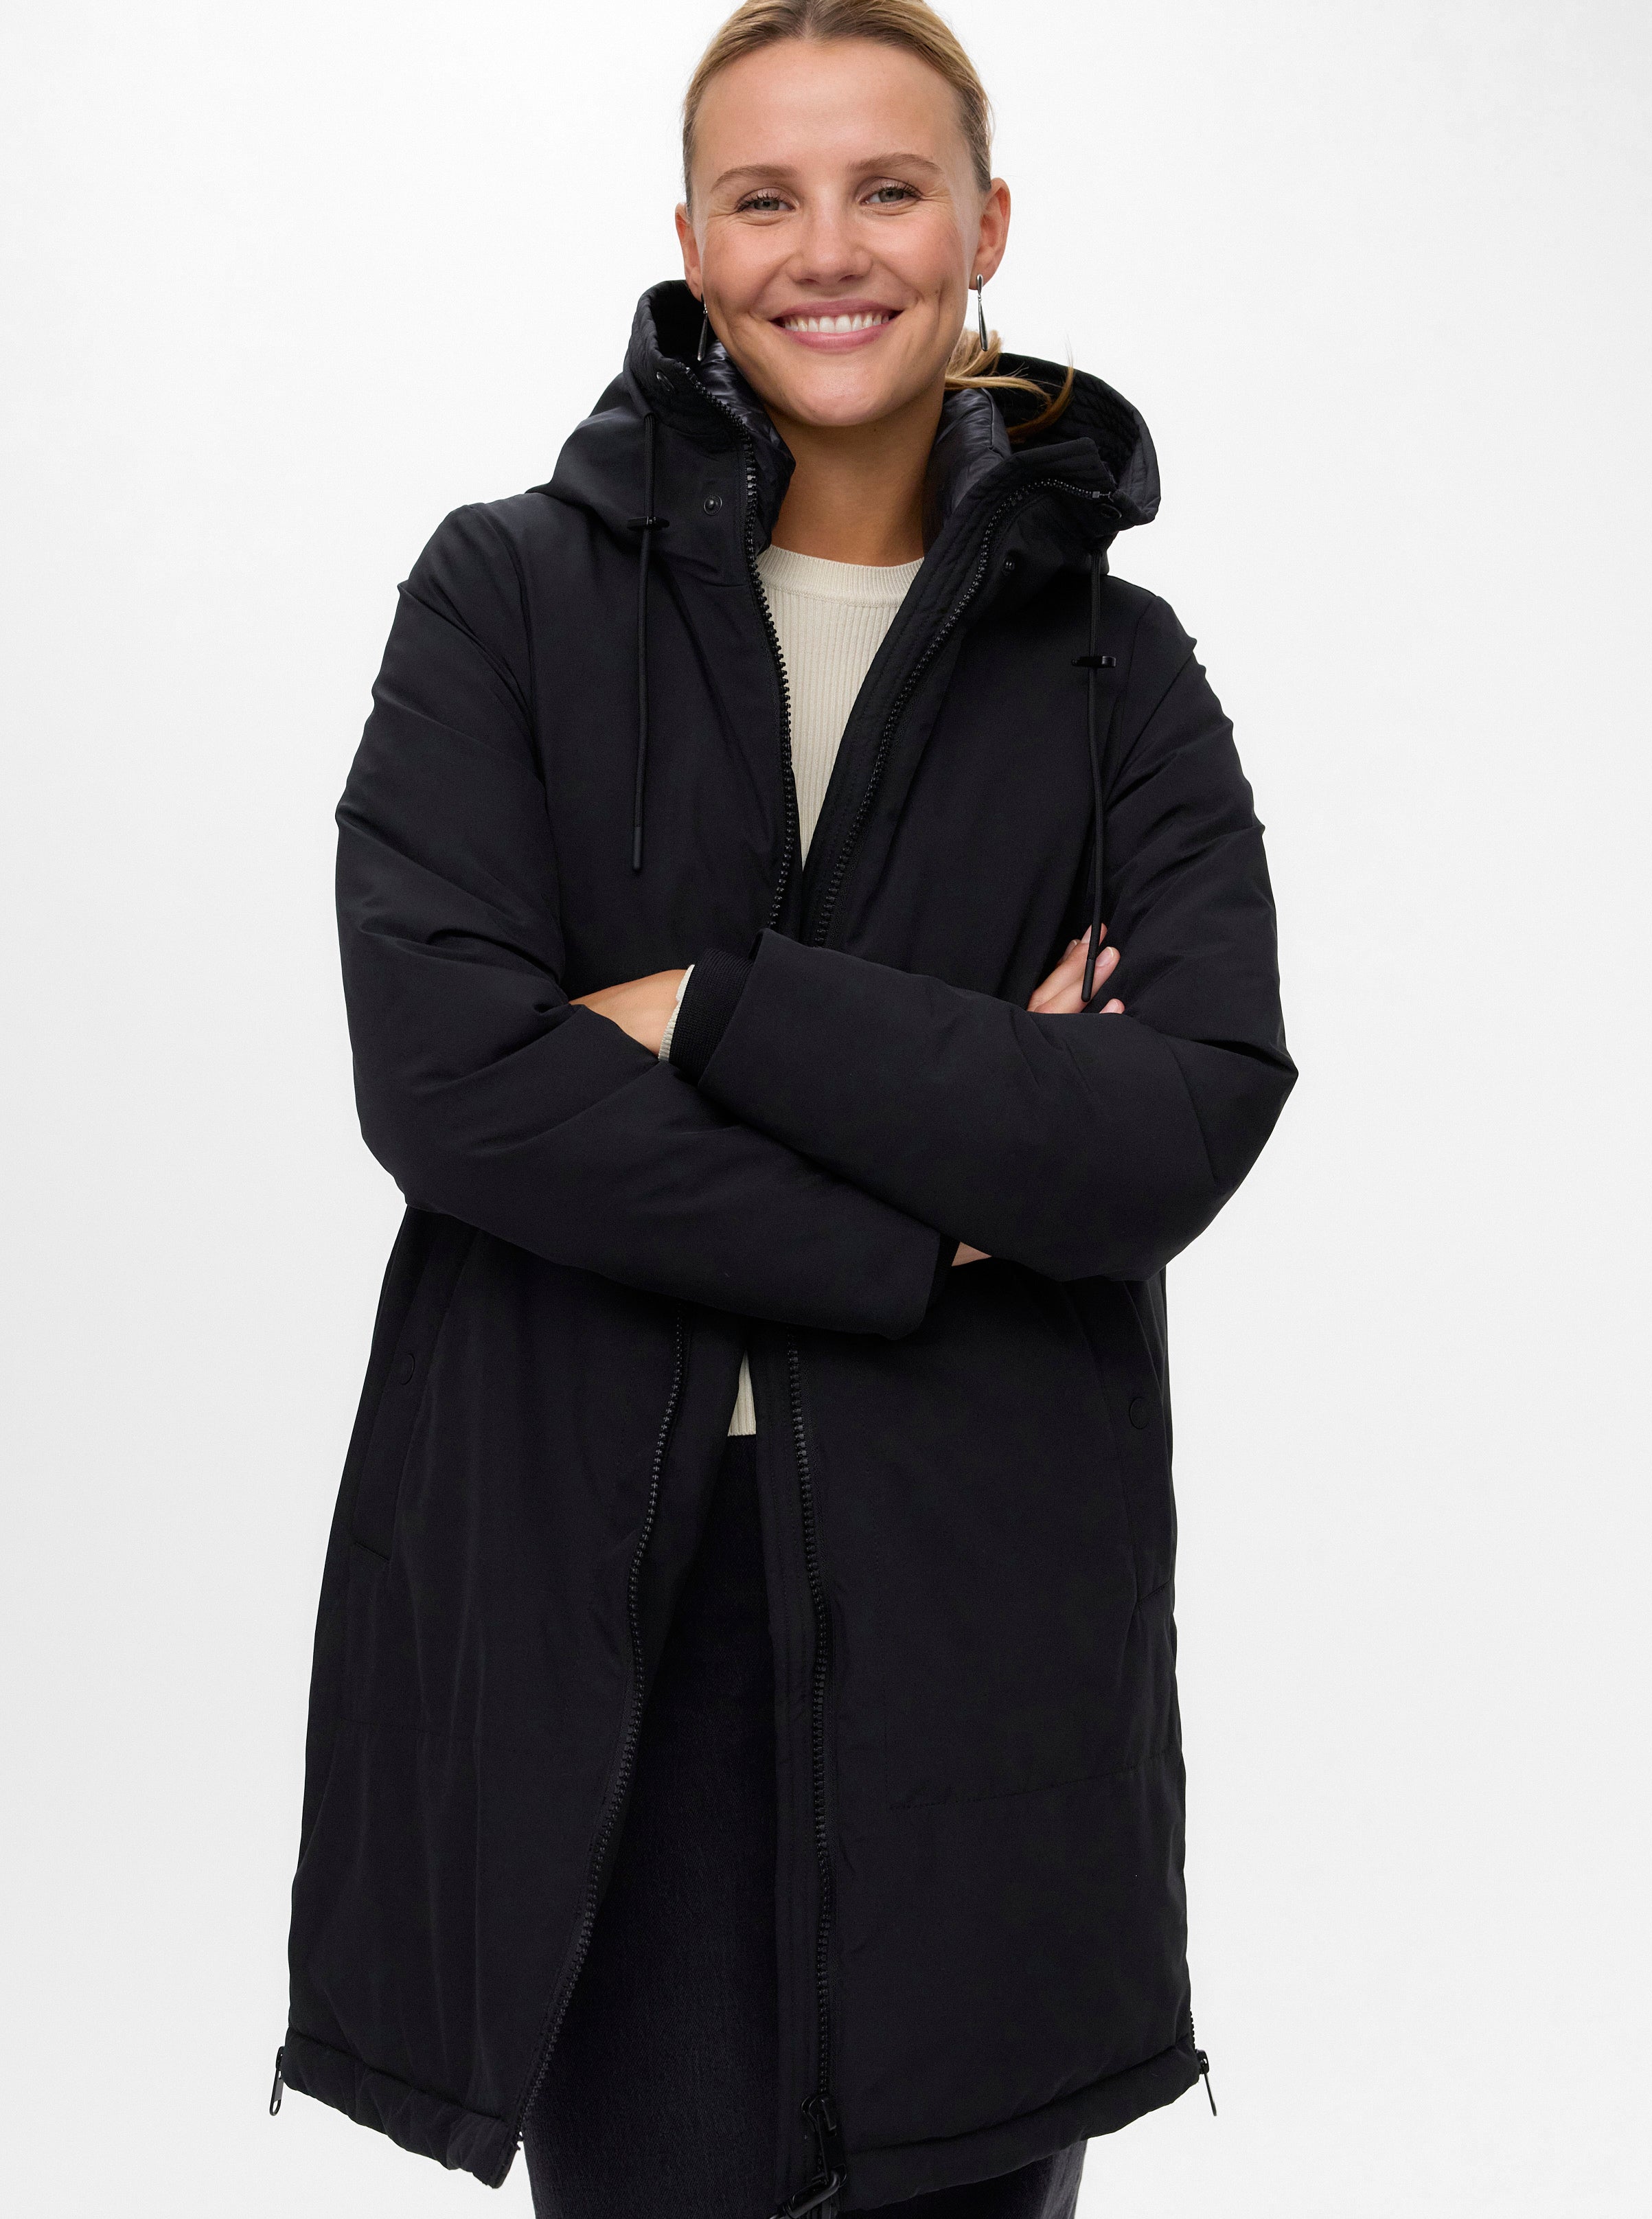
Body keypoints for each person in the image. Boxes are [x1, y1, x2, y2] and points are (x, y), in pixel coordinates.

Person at [274, 2, 1296, 2214]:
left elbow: (1177, 1119)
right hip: (599, 1604)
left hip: (983, 1615)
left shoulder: (1114, 675)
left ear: (984, 226)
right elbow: (448, 1076)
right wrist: (923, 1213)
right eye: (766, 197)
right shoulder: (505, 598)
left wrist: (706, 1009)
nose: (827, 251)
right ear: (691, 240)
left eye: (888, 189)